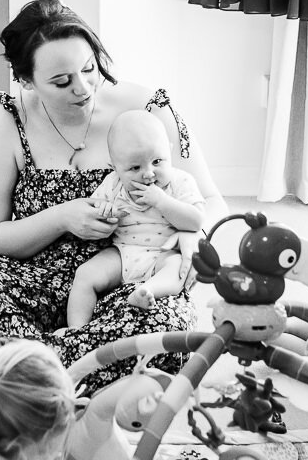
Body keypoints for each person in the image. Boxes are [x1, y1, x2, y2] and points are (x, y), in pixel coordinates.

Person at [0, 0, 225, 392]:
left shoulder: (147, 109)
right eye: (61, 81)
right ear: (25, 80)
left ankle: (25, 373)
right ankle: (71, 372)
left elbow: (209, 199)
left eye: (89, 69)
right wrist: (61, 217)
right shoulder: (5, 120)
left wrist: (190, 238)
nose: (83, 87)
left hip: (132, 274)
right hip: (33, 275)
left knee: (163, 327)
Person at [64, 109, 205, 332]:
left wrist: (163, 202)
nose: (149, 174)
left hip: (164, 253)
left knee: (179, 268)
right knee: (85, 274)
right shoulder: (113, 184)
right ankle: (76, 329)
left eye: (157, 161)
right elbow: (93, 210)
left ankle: (147, 291)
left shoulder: (179, 181)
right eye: (135, 168)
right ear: (115, 167)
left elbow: (196, 221)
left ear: (169, 151)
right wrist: (105, 210)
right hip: (123, 252)